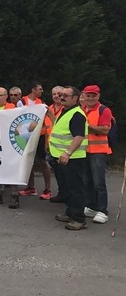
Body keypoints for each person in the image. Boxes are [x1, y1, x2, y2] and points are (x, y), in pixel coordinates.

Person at [50, 86, 89, 230]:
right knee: (68, 188)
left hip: (73, 158)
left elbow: (79, 136)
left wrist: (68, 152)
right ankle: (70, 213)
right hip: (62, 158)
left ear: (75, 98)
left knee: (75, 188)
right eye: (61, 95)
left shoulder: (77, 114)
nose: (62, 97)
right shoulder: (66, 111)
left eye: (66, 95)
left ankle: (79, 219)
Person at [82, 85, 112, 224]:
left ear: (98, 96)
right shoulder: (82, 109)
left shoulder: (103, 110)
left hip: (98, 151)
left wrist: (87, 126)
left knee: (98, 182)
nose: (91, 98)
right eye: (88, 95)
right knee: (87, 181)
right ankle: (91, 206)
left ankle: (102, 210)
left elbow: (105, 130)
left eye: (94, 95)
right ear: (84, 95)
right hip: (84, 151)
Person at [17, 82, 52, 198]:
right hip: (27, 135)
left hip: (40, 134)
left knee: (43, 161)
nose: (42, 91)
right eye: (40, 89)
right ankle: (31, 187)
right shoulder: (22, 102)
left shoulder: (41, 103)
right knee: (28, 161)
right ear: (33, 90)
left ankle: (48, 189)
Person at [46, 86, 67, 202]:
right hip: (52, 145)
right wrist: (46, 144)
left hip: (64, 146)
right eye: (54, 94)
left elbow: (59, 126)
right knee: (58, 173)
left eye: (59, 94)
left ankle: (68, 195)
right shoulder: (50, 108)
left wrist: (51, 115)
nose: (56, 96)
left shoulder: (66, 109)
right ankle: (62, 193)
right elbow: (46, 127)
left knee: (65, 173)